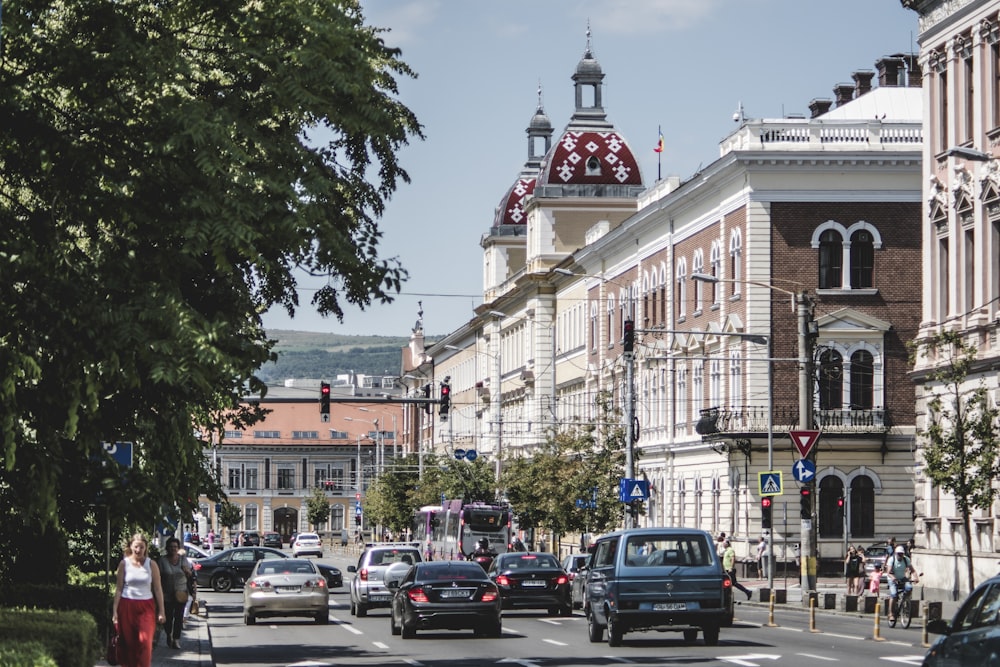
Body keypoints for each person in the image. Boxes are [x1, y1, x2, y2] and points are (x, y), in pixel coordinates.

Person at [112, 532, 166, 667]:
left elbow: (158, 589)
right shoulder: (124, 564)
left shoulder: (151, 564)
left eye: (141, 547)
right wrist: (115, 611)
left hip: (146, 606)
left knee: (145, 642)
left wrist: (161, 611)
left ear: (146, 548)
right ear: (130, 547)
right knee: (128, 646)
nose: (138, 550)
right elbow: (118, 588)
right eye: (136, 547)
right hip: (126, 605)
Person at [158, 537, 192, 648]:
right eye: (171, 547)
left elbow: (189, 574)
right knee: (168, 617)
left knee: (178, 617)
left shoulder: (182, 559)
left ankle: (176, 639)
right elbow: (158, 576)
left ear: (178, 548)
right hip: (167, 593)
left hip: (181, 593)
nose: (173, 549)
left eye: (175, 547)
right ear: (167, 548)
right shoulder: (162, 560)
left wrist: (187, 571)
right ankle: (168, 634)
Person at [884, 545, 914, 622]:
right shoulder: (891, 559)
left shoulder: (906, 559)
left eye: (901, 554)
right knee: (894, 594)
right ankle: (891, 614)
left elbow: (912, 570)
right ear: (895, 553)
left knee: (909, 587)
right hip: (892, 578)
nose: (900, 555)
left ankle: (905, 601)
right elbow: (888, 572)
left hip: (902, 578)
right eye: (898, 554)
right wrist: (893, 577)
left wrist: (916, 578)